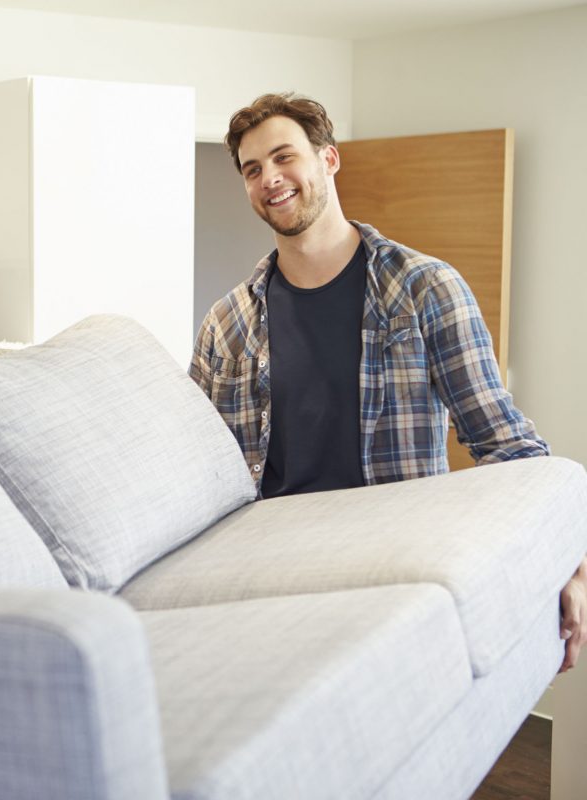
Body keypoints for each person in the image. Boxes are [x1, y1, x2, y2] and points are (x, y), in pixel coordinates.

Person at [190, 91, 585, 672]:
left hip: (394, 566)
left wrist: (571, 562)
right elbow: (199, 475)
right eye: (253, 170)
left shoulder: (427, 288)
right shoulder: (226, 324)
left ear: (328, 159)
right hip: (269, 577)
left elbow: (506, 445)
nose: (270, 178)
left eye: (284, 157)